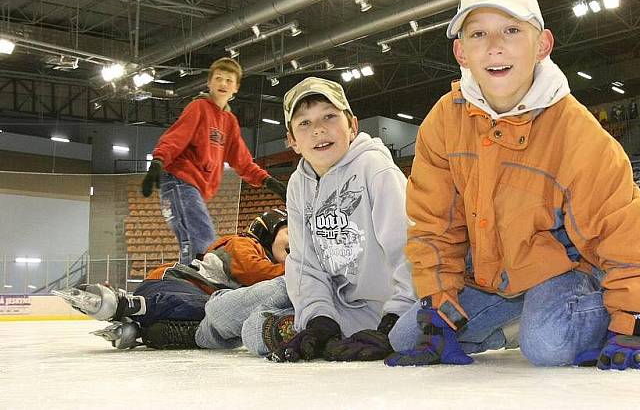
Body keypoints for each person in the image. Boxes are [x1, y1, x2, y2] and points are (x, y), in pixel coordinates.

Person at [385, 0, 640, 371]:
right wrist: (438, 296)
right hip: (496, 274)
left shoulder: (576, 131)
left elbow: (617, 225)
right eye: (478, 34)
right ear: (461, 53)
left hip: (568, 263)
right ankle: (528, 318)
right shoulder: (443, 121)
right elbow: (434, 225)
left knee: (549, 345)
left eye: (512, 30)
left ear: (542, 44)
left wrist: (634, 318)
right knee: (408, 336)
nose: (495, 46)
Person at [213, 76, 416, 362]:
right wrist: (320, 319)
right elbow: (305, 265)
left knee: (253, 329)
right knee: (220, 314)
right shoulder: (299, 182)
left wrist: (393, 323)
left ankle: (182, 321)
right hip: (331, 297)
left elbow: (410, 250)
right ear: (292, 141)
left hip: (378, 309)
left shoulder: (377, 170)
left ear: (352, 126)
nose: (319, 129)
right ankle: (181, 325)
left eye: (329, 116)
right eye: (304, 123)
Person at [54, 209, 289, 350]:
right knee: (207, 309)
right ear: (266, 232)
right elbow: (253, 272)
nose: (295, 242)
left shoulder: (269, 260)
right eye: (289, 233)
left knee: (210, 317)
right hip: (177, 284)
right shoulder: (245, 243)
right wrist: (295, 272)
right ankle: (124, 304)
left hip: (190, 292)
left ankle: (140, 329)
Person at [141, 57, 287, 265]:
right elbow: (177, 136)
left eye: (229, 80)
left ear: (236, 87)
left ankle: (188, 287)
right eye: (218, 78)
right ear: (209, 83)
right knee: (202, 241)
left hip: (195, 188)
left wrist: (269, 182)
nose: (223, 84)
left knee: (198, 244)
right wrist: (157, 162)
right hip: (179, 181)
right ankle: (193, 288)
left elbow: (242, 161)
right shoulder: (198, 107)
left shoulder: (229, 122)